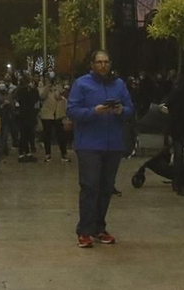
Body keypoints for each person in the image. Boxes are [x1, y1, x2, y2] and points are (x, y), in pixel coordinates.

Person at [67, 49, 133, 247]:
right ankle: (84, 230)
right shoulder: (81, 84)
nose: (103, 65)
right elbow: (72, 110)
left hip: (113, 144)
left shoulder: (119, 85)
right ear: (92, 64)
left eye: (106, 62)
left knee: (106, 188)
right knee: (90, 186)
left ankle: (99, 227)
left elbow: (131, 109)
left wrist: (121, 110)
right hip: (89, 144)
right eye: (99, 62)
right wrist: (93, 111)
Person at [163, 72, 184, 194]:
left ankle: (177, 182)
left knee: (179, 154)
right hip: (181, 127)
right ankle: (179, 183)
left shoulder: (179, 92)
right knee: (180, 155)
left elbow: (168, 104)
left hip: (176, 126)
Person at [38, 75, 69, 162]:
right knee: (47, 135)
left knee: (60, 135)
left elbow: (61, 96)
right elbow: (42, 96)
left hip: (57, 114)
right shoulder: (43, 88)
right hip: (47, 115)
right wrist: (47, 86)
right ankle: (47, 154)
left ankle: (64, 154)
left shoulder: (59, 87)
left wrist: (57, 89)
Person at [13, 75, 41, 163]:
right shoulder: (26, 91)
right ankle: (23, 153)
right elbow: (35, 99)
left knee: (25, 135)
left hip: (24, 115)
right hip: (27, 115)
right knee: (26, 135)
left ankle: (26, 153)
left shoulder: (19, 91)